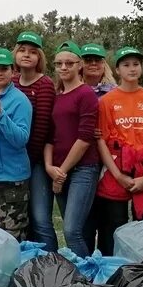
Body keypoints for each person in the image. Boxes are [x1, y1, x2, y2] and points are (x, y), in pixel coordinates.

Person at [95, 47, 143, 255]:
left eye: (136, 64)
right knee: (113, 228)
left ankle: (140, 274)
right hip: (116, 172)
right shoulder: (106, 101)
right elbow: (102, 141)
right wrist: (117, 175)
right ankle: (110, 273)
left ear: (142, 68)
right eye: (126, 65)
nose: (132, 69)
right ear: (117, 70)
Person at [43, 41, 100, 257]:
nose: (63, 68)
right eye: (59, 64)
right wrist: (50, 167)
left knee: (71, 229)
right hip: (58, 169)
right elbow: (50, 136)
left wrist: (61, 173)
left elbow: (85, 139)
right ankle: (78, 277)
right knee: (75, 230)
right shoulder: (58, 97)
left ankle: (88, 279)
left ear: (79, 65)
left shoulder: (86, 94)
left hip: (82, 169)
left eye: (69, 63)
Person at [12, 30, 57, 250]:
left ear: (39, 57)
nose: (26, 55)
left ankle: (53, 263)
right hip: (13, 161)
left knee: (40, 218)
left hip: (35, 160)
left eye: (32, 52)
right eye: (22, 51)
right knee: (22, 216)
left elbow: (41, 128)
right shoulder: (10, 82)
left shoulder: (45, 84)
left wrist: (27, 161)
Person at [0, 47, 33, 240]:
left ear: (12, 71)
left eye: (4, 68)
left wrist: (1, 114)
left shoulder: (20, 100)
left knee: (11, 237)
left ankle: (17, 271)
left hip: (11, 179)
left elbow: (20, 139)